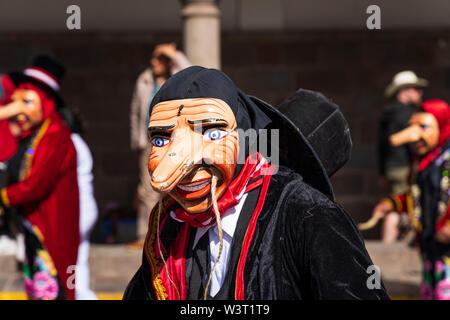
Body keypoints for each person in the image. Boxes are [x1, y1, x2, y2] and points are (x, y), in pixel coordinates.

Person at [123, 66, 389, 300]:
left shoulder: (307, 214)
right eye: (160, 139)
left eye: (212, 132)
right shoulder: (169, 222)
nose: (184, 173)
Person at [0, 54, 80, 300]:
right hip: (32, 230)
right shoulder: (33, 135)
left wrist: (3, 198)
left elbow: (35, 185)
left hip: (50, 230)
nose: (18, 109)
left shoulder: (55, 134)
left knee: (51, 290)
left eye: (27, 101)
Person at [371, 100, 450, 299]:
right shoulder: (423, 162)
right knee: (432, 290)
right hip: (431, 244)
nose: (415, 135)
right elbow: (417, 197)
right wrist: (392, 203)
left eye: (423, 127)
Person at [129, 42, 191, 249]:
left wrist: (174, 54)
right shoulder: (145, 80)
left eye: (159, 58)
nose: (154, 62)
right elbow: (136, 113)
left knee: (173, 184)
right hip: (149, 141)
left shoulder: (177, 79)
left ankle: (174, 231)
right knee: (147, 189)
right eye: (154, 58)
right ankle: (145, 235)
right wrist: (137, 142)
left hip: (174, 141)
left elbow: (192, 73)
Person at [376, 70, 428, 242]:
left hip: (392, 167)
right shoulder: (406, 115)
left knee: (400, 204)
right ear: (404, 91)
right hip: (404, 167)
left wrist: (383, 171)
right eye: (415, 89)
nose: (419, 93)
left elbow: (381, 146)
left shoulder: (388, 114)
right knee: (399, 206)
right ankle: (390, 247)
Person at [59, 106, 98, 300]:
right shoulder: (77, 142)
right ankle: (81, 294)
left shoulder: (69, 142)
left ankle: (79, 294)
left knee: (71, 260)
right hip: (84, 207)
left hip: (78, 209)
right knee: (79, 260)